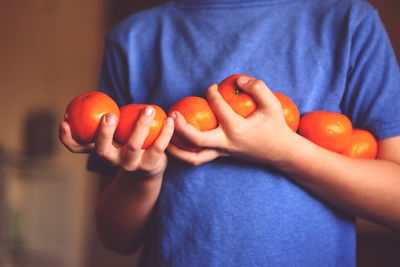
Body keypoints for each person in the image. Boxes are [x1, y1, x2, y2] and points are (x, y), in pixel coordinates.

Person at [59, 0, 400, 266]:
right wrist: (142, 175)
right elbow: (116, 238)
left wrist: (284, 151)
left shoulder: (349, 22)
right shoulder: (132, 39)